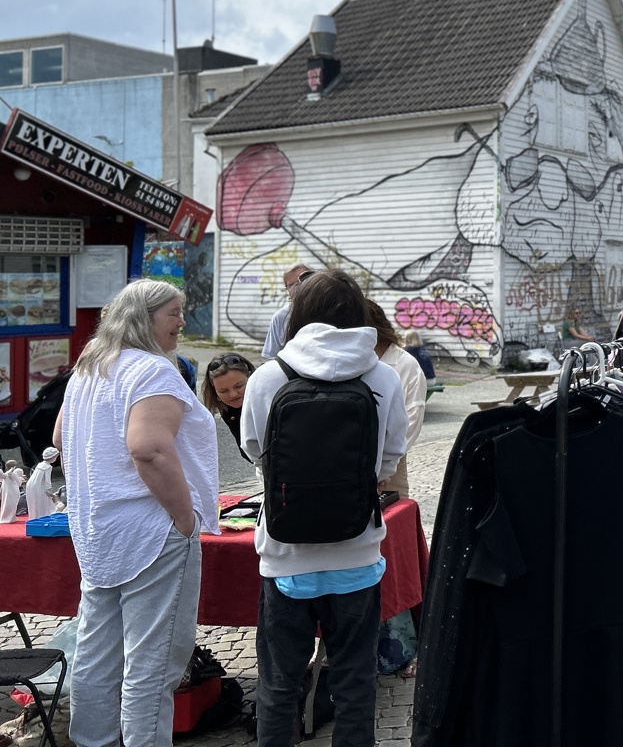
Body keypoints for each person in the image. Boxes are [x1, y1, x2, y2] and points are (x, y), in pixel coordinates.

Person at [241, 270, 409, 746]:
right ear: (358, 316)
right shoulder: (383, 376)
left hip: (283, 554)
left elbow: (255, 450)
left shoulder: (268, 376)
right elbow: (391, 458)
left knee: (278, 683)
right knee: (355, 683)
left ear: (298, 316)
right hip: (356, 553)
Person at [56, 279, 220, 746]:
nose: (182, 321)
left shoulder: (91, 368)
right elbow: (148, 449)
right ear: (146, 318)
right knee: (154, 660)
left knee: (97, 650)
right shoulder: (151, 371)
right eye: (175, 312)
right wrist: (184, 516)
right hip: (152, 529)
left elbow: (59, 439)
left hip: (98, 529)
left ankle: (94, 742)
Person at [367, 301, 428, 498]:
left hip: (391, 467)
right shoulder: (352, 362)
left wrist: (383, 465)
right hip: (353, 464)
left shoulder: (405, 364)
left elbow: (412, 420)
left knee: (394, 523)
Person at [200, 351, 256, 456]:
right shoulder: (226, 408)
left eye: (239, 386)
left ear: (250, 377)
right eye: (223, 391)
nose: (233, 394)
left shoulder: (268, 402)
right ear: (214, 391)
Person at [262, 264, 314, 361]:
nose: (297, 288)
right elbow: (271, 358)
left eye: (302, 281)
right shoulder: (281, 317)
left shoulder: (330, 311)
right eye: (291, 285)